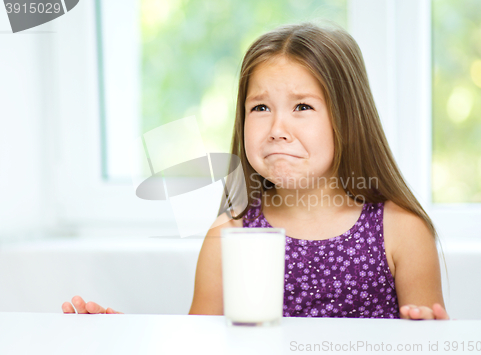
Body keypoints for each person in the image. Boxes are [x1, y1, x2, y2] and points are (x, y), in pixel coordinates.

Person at [62, 21, 449, 320]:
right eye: (260, 108)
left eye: (302, 107)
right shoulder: (228, 236)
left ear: (347, 119)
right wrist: (117, 338)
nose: (277, 130)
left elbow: (426, 338)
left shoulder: (401, 231)